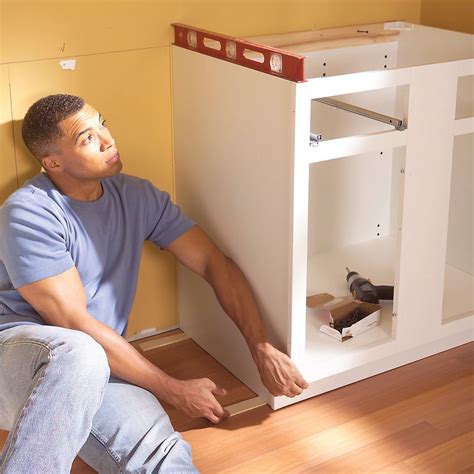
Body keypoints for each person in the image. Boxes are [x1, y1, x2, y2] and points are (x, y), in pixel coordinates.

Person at [0, 94, 308, 473]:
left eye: (103, 124)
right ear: (53, 162)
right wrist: (171, 389)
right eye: (86, 138)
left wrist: (260, 345)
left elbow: (214, 263)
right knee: (79, 352)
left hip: (102, 365)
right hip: (19, 359)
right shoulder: (28, 213)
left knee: (164, 457)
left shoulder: (136, 196)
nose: (108, 139)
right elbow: (73, 323)